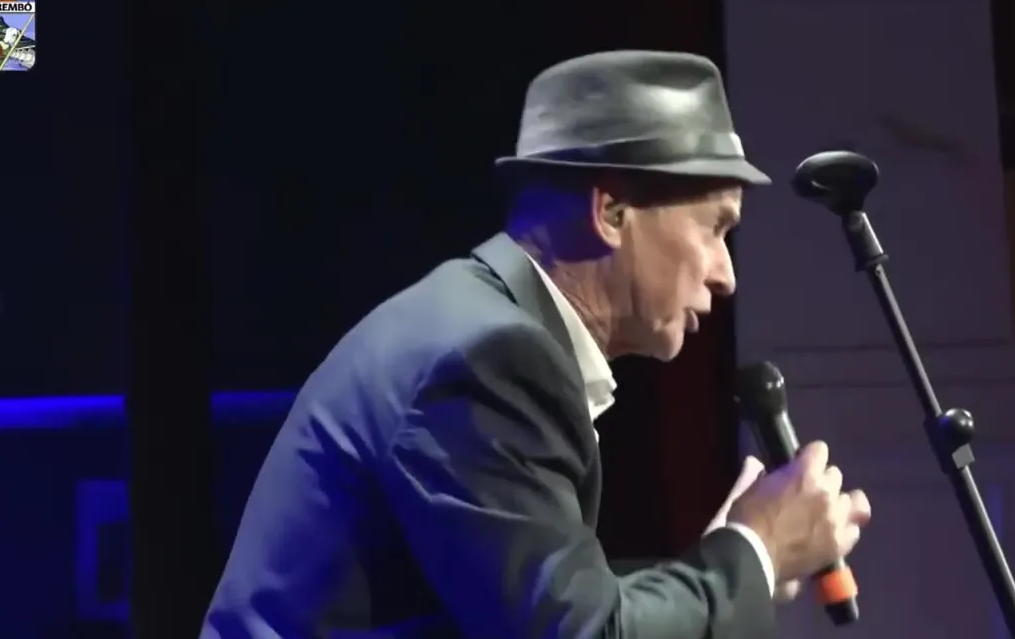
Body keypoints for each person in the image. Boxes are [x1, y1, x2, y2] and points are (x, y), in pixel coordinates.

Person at [201, 50, 872, 638]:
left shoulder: (478, 328)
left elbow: (547, 609)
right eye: (715, 228)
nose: (726, 275)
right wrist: (757, 552)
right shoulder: (486, 361)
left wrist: (732, 561)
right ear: (611, 212)